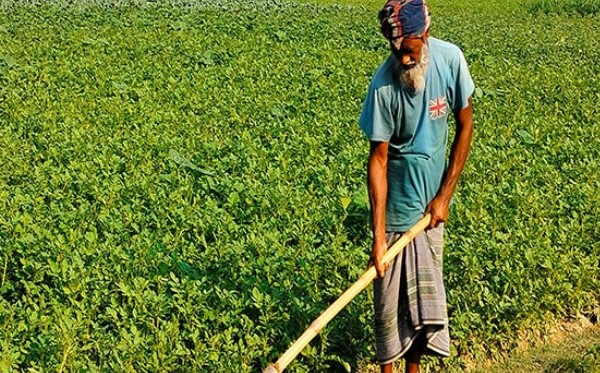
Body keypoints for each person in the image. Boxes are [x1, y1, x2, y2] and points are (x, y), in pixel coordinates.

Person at [359, 0, 474, 372]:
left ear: (424, 36)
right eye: (396, 52)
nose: (403, 60)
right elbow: (377, 160)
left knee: (421, 312)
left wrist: (444, 197)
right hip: (395, 214)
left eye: (409, 50)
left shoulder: (450, 61)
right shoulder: (383, 86)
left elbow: (465, 126)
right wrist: (378, 238)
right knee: (390, 311)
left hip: (430, 214)